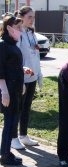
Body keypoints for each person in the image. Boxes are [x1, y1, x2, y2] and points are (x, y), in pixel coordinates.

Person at [11, 6, 42, 150]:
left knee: (26, 108)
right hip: (21, 78)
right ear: (21, 17)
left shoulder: (32, 33)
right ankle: (12, 137)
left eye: (33, 17)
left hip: (32, 77)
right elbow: (15, 57)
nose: (32, 20)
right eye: (29, 17)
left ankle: (23, 135)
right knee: (16, 108)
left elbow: (35, 56)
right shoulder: (18, 34)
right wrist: (20, 79)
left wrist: (39, 73)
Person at [0, 14, 24, 165]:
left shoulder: (12, 44)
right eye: (18, 27)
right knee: (10, 122)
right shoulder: (2, 45)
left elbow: (13, 66)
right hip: (8, 89)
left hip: (14, 88)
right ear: (9, 28)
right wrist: (4, 91)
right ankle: (5, 155)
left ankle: (4, 150)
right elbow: (0, 69)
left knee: (11, 121)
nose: (20, 30)